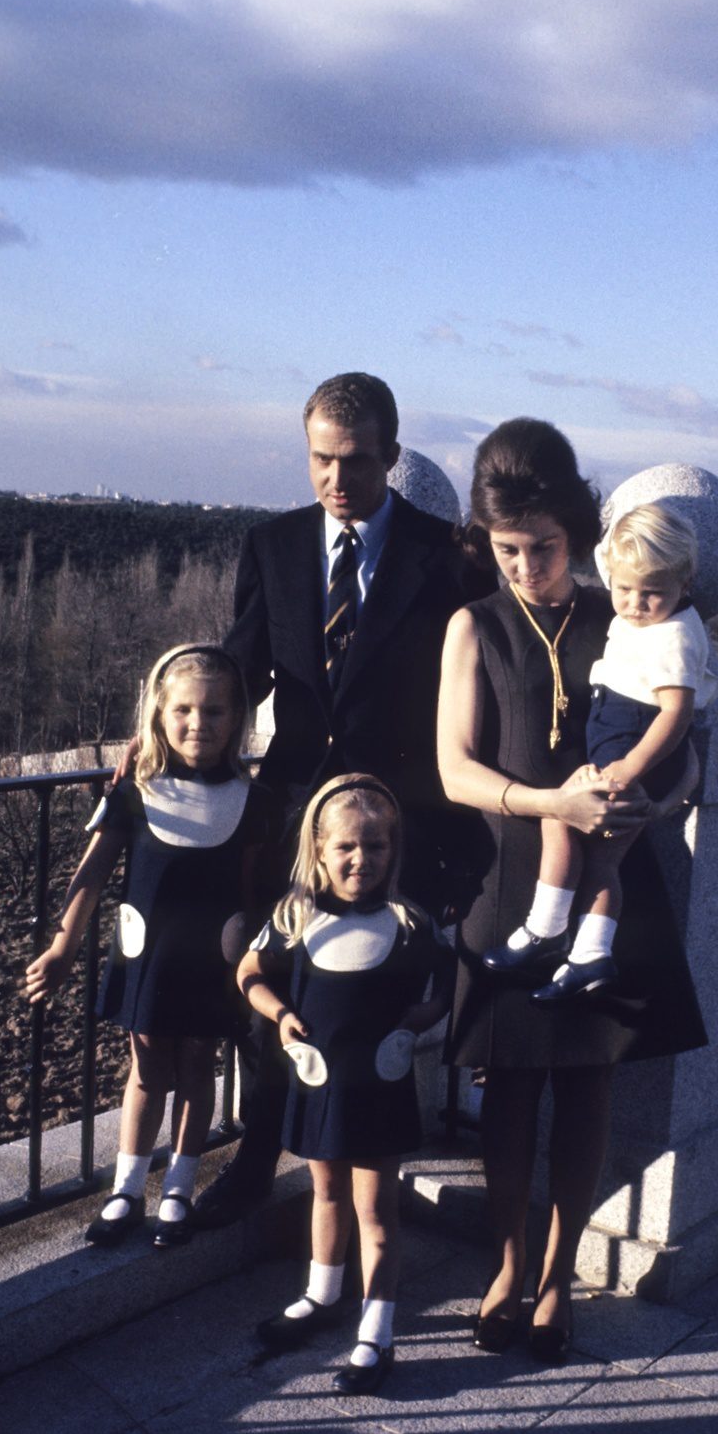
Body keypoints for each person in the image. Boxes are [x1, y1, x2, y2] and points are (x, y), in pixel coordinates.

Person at [437, 418, 707, 1362]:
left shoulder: (628, 609)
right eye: (507, 549)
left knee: (586, 1088)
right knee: (508, 1093)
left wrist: (652, 807)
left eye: (543, 548)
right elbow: (453, 770)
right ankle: (506, 1267)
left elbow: (685, 750)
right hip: (509, 885)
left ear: (579, 533)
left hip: (611, 883)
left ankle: (558, 1278)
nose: (526, 567)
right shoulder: (473, 625)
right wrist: (547, 798)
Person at [193, 371, 491, 1228]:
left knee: (372, 996)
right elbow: (242, 670)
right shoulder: (273, 545)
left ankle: (366, 1184)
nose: (335, 479)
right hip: (290, 818)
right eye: (321, 459)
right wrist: (165, 730)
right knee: (275, 982)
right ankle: (257, 1156)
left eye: (355, 462)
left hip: (401, 821)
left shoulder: (448, 558)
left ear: (391, 457)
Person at [26, 645, 271, 1248]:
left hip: (213, 960)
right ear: (159, 715)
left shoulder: (253, 800)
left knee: (196, 1067)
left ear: (237, 717)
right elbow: (91, 875)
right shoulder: (135, 791)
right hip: (149, 957)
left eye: (215, 711)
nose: (199, 723)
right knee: (146, 1067)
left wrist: (253, 963)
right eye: (184, 709)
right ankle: (127, 1189)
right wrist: (61, 947)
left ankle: (179, 1189)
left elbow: (252, 890)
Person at [237, 775, 453, 1395]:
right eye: (346, 848)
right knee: (324, 1192)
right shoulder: (296, 917)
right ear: (320, 849)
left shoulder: (408, 922)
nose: (361, 860)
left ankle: (376, 1330)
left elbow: (446, 980)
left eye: (376, 847)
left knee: (375, 1209)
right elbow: (250, 971)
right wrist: (279, 1014)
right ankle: (321, 1294)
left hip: (379, 1086)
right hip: (319, 1085)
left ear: (394, 849)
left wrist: (424, 1018)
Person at [486, 500, 718, 1002]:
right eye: (624, 589)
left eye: (651, 593)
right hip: (621, 744)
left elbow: (676, 714)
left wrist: (628, 772)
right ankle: (571, 944)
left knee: (585, 844)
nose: (634, 603)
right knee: (574, 834)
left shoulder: (675, 636)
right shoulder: (645, 620)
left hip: (639, 752)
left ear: (686, 583)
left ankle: (563, 940)